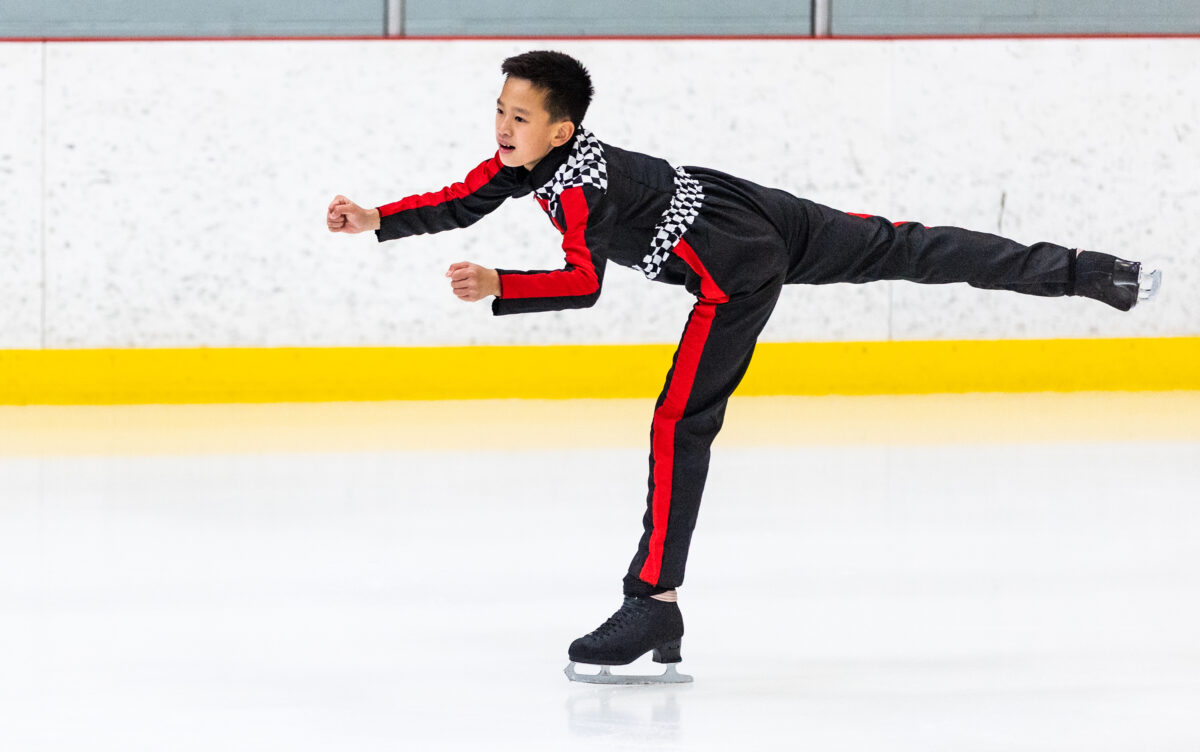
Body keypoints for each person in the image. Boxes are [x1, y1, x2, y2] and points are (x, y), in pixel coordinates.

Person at [326, 50, 1160, 685]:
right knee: (905, 246)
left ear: (561, 131)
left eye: (520, 116)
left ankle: (653, 603)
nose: (503, 127)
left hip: (735, 265)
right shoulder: (526, 164)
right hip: (743, 204)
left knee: (678, 422)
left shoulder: (579, 189)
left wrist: (501, 283)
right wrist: (376, 219)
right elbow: (462, 197)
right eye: (500, 110)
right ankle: (1097, 275)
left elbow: (583, 282)